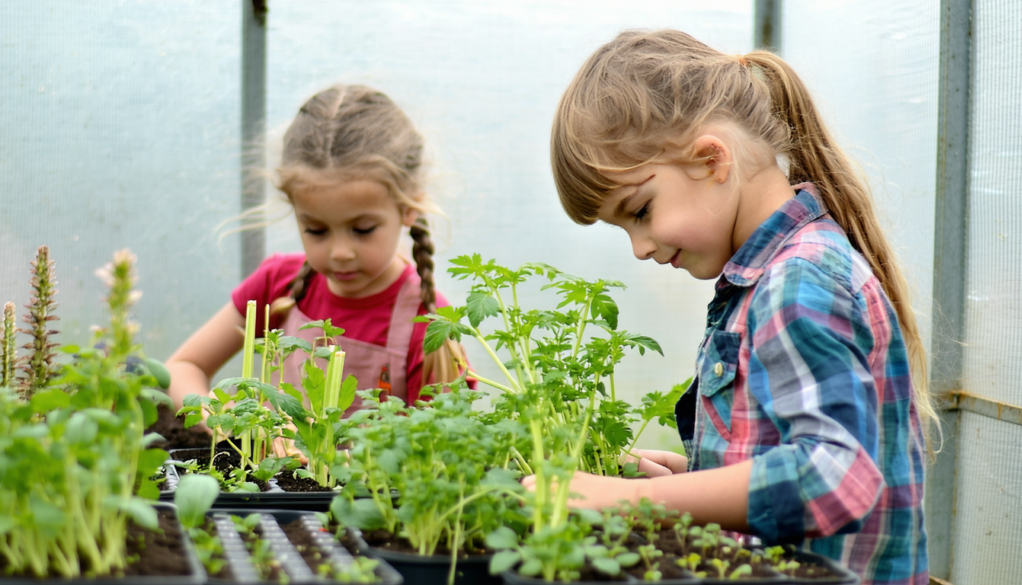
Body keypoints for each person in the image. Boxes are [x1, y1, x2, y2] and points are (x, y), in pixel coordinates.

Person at [531, 29, 934, 585]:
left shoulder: (798, 281)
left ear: (712, 159)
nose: (640, 248)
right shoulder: (773, 275)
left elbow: (834, 477)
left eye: (640, 211)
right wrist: (690, 478)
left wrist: (630, 502)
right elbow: (786, 456)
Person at [166, 84, 467, 416]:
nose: (340, 252)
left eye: (363, 229)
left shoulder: (428, 325)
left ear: (410, 205)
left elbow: (441, 446)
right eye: (316, 230)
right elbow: (183, 367)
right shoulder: (276, 283)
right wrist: (225, 423)